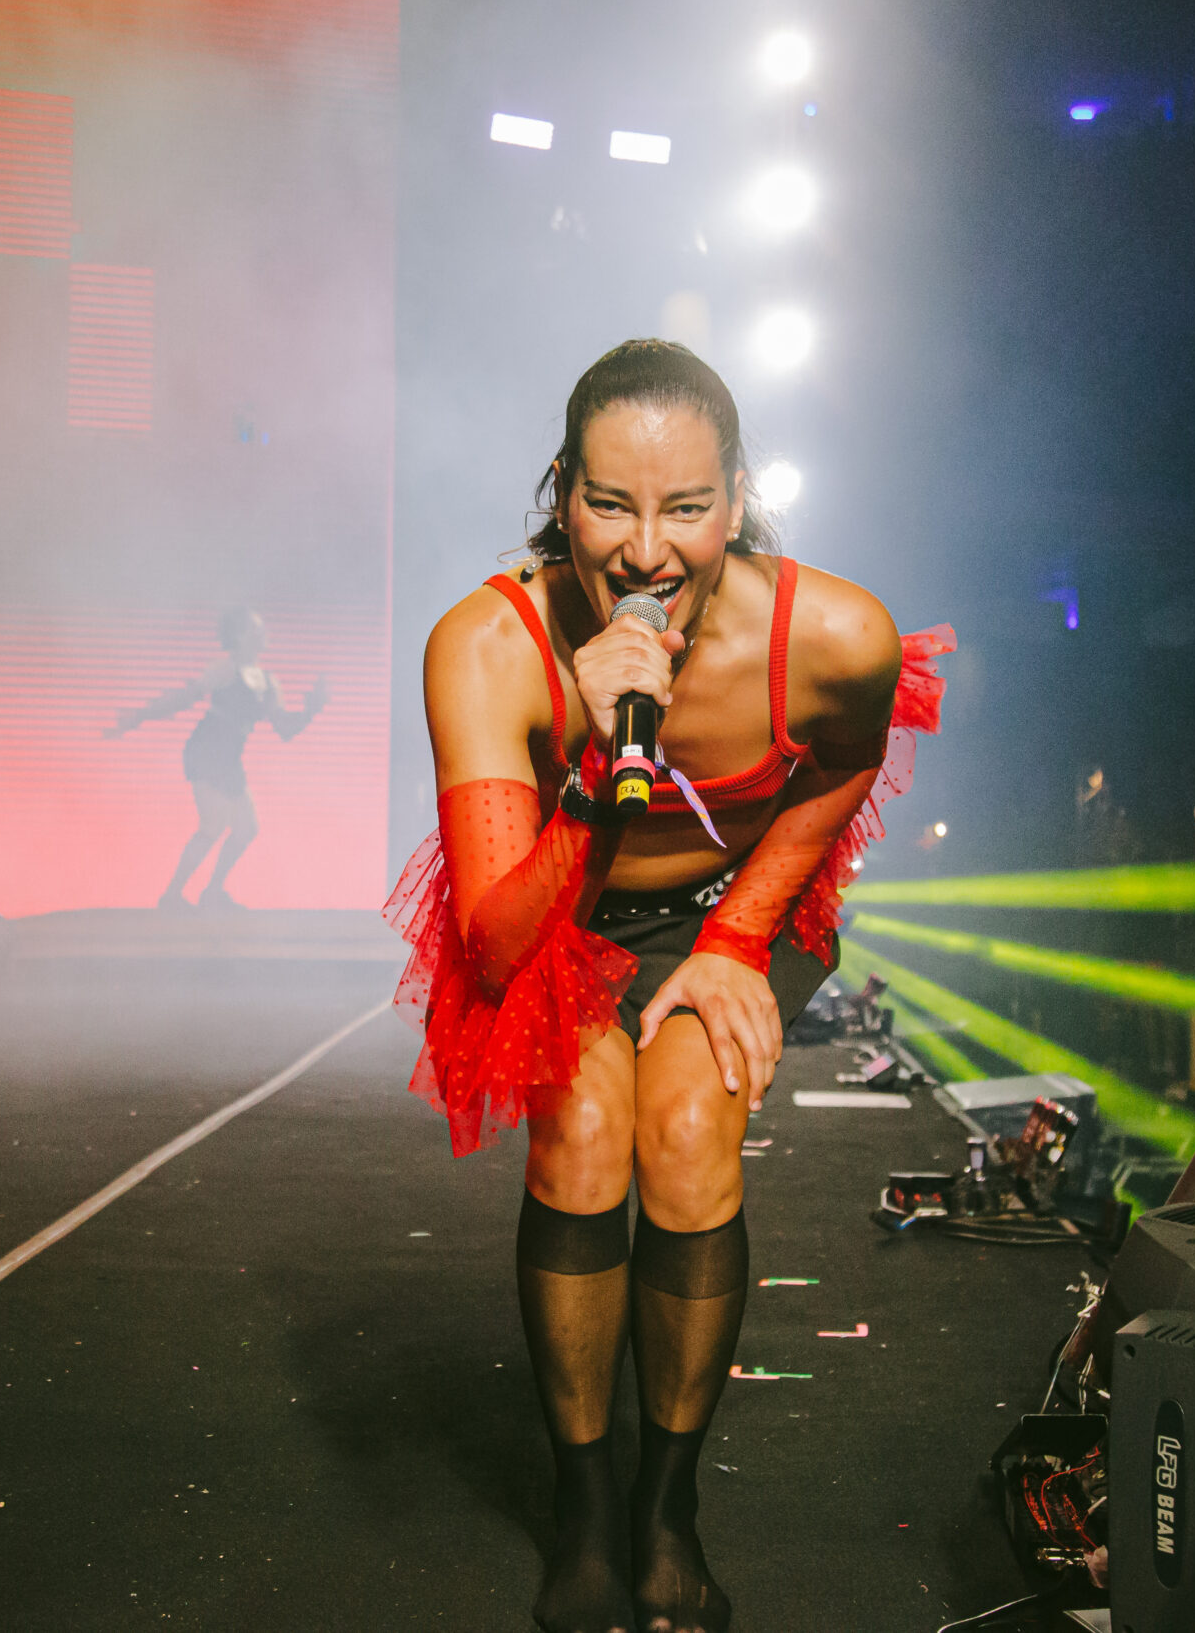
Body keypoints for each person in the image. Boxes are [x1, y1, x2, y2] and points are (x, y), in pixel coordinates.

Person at [385, 340, 946, 1633]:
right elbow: (493, 945)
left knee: (688, 1133)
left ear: (736, 501)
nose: (647, 551)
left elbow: (847, 762)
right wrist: (593, 776)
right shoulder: (487, 646)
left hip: (727, 906)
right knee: (583, 1135)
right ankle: (585, 1505)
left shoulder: (835, 634)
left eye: (685, 506)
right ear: (561, 496)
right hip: (560, 912)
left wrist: (739, 932)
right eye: (609, 504)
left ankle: (667, 1505)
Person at [107, 607, 325, 910]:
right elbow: (183, 698)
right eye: (255, 628)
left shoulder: (268, 681)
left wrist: (311, 710)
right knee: (213, 824)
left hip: (229, 757)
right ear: (238, 635)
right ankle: (172, 895)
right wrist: (140, 716)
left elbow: (284, 728)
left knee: (246, 828)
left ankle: (211, 892)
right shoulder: (224, 670)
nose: (263, 633)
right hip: (207, 750)